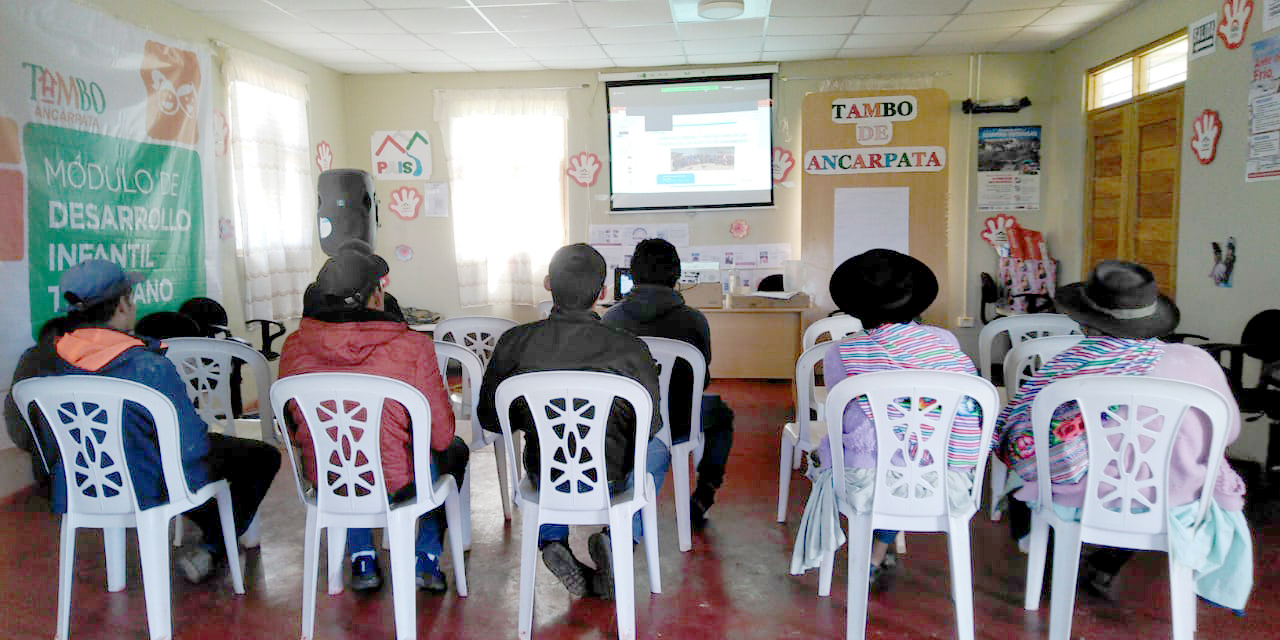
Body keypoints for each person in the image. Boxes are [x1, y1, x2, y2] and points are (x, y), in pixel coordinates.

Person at [995, 261, 1251, 609]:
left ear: (1083, 320)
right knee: (1156, 470)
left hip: (1084, 496)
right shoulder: (1198, 362)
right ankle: (1107, 561)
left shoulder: (1069, 365)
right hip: (1173, 498)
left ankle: (1053, 569)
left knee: (1030, 469)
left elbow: (1022, 429)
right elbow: (1228, 430)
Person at [5, 259, 281, 583]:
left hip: (79, 482)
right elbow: (191, 447)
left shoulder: (44, 361)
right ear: (122, 305)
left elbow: (29, 434)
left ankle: (214, 535)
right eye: (131, 297)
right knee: (261, 457)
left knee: (164, 460)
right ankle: (215, 544)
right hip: (144, 482)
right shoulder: (146, 366)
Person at [477, 243, 667, 600]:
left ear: (548, 284)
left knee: (546, 448)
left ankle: (550, 537)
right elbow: (650, 425)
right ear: (604, 292)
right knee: (656, 448)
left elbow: (490, 419)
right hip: (610, 479)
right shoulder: (629, 348)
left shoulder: (514, 342)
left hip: (548, 477)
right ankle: (618, 540)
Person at [278, 243, 467, 593]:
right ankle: (425, 558)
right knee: (451, 451)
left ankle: (362, 556)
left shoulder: (292, 347)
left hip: (329, 480)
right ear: (375, 298)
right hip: (396, 484)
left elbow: (291, 426)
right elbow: (440, 436)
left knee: (343, 449)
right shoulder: (412, 347)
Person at [790, 249, 981, 584]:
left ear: (856, 308)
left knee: (873, 453)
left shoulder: (842, 353)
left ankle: (875, 547)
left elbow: (842, 415)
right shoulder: (945, 342)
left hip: (867, 481)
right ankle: (880, 548)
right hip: (946, 477)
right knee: (911, 450)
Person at [601, 238, 734, 526]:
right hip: (679, 421)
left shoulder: (610, 318)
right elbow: (703, 380)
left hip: (623, 422)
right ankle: (705, 491)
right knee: (721, 415)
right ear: (676, 275)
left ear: (632, 274)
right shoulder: (694, 320)